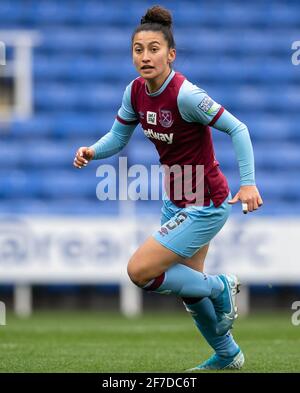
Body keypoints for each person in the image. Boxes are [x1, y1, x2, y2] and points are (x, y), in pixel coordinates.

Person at [73, 5, 263, 371]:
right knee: (190, 291)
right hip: (176, 196)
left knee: (139, 271)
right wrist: (92, 151)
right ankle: (227, 355)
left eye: (154, 49)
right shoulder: (135, 92)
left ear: (170, 54)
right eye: (138, 49)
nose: (145, 56)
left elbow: (238, 129)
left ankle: (220, 286)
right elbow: (118, 136)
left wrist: (249, 182)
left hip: (205, 201)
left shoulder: (186, 95)